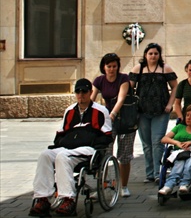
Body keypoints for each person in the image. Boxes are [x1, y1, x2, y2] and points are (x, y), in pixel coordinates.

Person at [29, 79, 112, 217]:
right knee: (45, 155)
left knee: (63, 157)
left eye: (84, 92)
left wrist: (90, 141)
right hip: (68, 147)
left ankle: (68, 199)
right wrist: (62, 144)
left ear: (91, 93)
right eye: (78, 92)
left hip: (88, 149)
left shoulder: (100, 111)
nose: (81, 95)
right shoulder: (70, 111)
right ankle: (42, 198)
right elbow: (60, 133)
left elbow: (107, 136)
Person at [129, 43, 178, 183]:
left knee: (157, 141)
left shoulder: (165, 68)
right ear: (145, 55)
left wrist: (170, 104)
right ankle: (149, 173)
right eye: (150, 53)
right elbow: (129, 87)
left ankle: (158, 173)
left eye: (156, 53)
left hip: (161, 110)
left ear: (159, 55)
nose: (153, 56)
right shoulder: (138, 69)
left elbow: (175, 87)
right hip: (142, 111)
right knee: (146, 143)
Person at [91, 53, 134, 198]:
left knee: (124, 154)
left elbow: (121, 99)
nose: (111, 69)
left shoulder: (123, 78)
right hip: (107, 121)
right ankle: (102, 186)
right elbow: (92, 98)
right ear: (104, 67)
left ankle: (124, 186)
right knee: (104, 152)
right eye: (109, 66)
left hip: (125, 120)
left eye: (114, 66)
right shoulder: (99, 80)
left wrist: (113, 114)